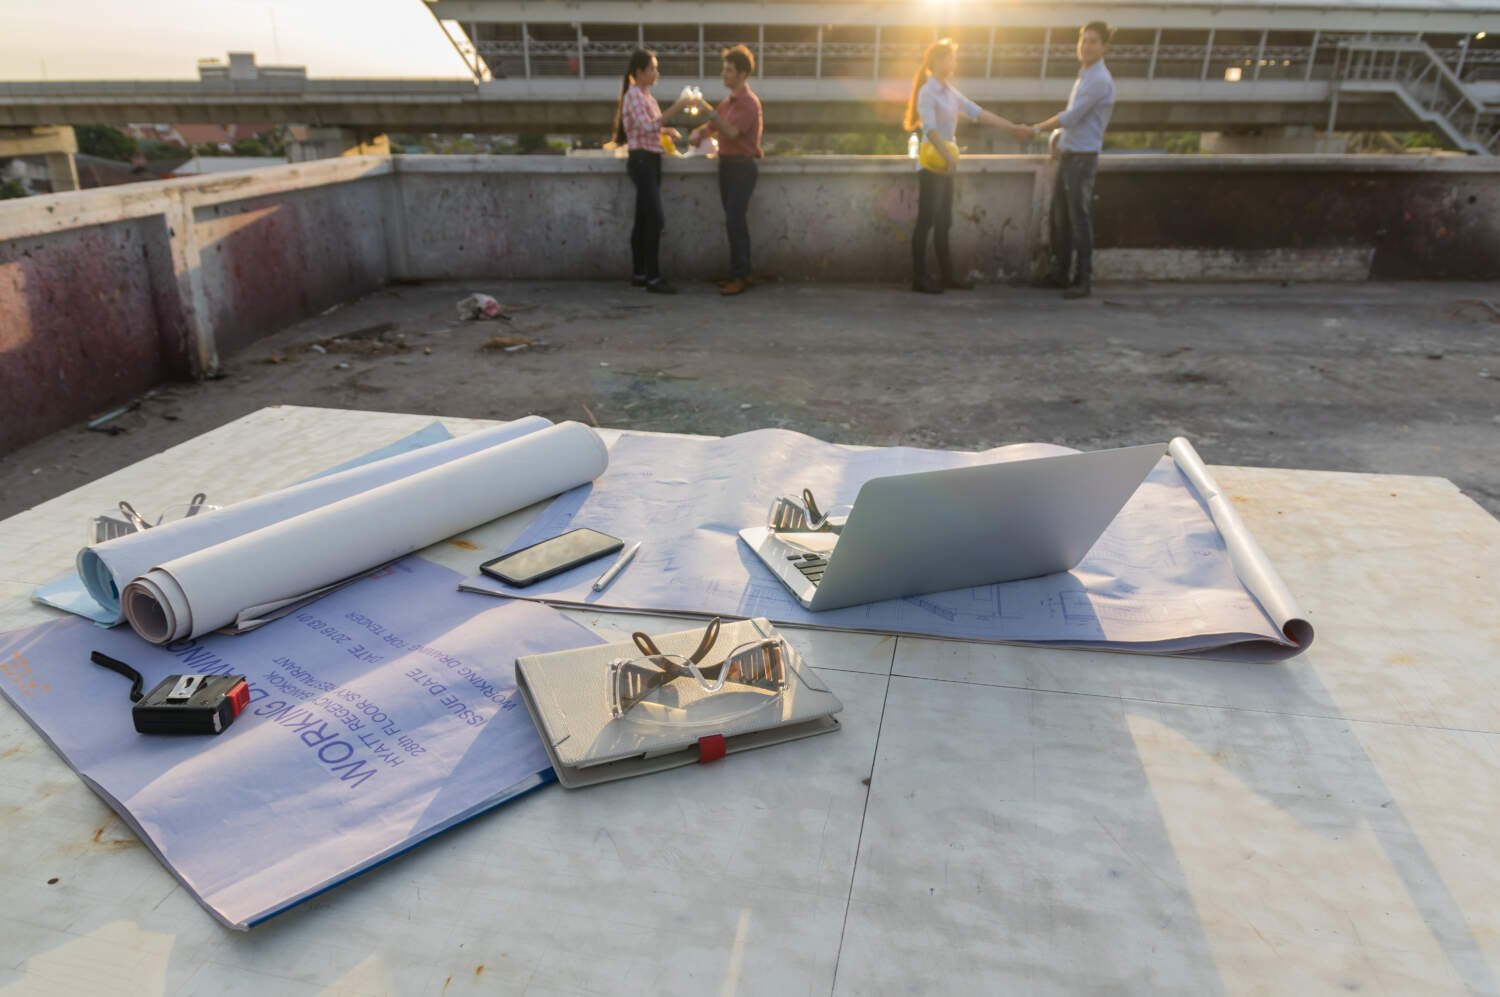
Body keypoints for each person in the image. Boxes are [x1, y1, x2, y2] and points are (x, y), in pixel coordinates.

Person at [903, 38, 1030, 294]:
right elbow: (929, 130)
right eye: (951, 57)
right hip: (931, 165)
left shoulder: (949, 91)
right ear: (938, 60)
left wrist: (1012, 127)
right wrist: (948, 157)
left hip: (947, 165)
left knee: (944, 221)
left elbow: (978, 112)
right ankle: (919, 279)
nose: (954, 62)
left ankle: (947, 276)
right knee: (926, 221)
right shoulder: (928, 92)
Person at [1020, 22, 1117, 300]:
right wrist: (1058, 135)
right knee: (1059, 218)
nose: (1086, 46)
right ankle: (1060, 274)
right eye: (1084, 40)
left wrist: (1036, 129)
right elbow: (1075, 118)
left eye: (1093, 41)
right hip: (1070, 153)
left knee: (1079, 220)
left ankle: (1082, 279)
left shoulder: (1099, 79)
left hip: (1082, 158)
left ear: (1105, 47)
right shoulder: (1085, 75)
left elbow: (1072, 116)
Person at [612, 49, 697, 294]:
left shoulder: (645, 96)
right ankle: (652, 277)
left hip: (648, 159)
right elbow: (648, 125)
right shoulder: (636, 95)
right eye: (652, 68)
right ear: (639, 72)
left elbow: (649, 128)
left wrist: (666, 130)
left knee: (643, 219)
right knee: (655, 219)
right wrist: (678, 106)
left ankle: (640, 274)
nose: (655, 72)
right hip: (642, 161)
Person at [687, 45, 762, 296]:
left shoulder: (749, 104)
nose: (724, 74)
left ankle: (740, 275)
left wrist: (707, 111)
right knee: (734, 223)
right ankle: (741, 272)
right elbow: (712, 127)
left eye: (729, 70)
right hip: (728, 166)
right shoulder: (727, 103)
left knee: (734, 221)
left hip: (742, 168)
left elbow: (730, 132)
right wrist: (698, 133)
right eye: (724, 69)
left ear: (742, 74)